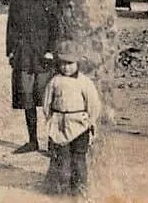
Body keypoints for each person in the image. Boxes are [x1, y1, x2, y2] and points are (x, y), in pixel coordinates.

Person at [6, 0, 58, 153]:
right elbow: (11, 26)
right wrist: (11, 50)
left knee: (47, 100)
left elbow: (55, 26)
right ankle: (32, 141)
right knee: (27, 98)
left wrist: (51, 50)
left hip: (43, 56)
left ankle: (54, 143)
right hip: (23, 56)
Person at [43, 40, 101, 196]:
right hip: (59, 125)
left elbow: (93, 105)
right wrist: (51, 120)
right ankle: (60, 188)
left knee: (79, 160)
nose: (66, 67)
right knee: (61, 158)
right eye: (62, 63)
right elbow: (46, 103)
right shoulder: (54, 81)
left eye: (70, 63)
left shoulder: (84, 82)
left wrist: (89, 122)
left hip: (79, 126)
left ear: (77, 62)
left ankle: (79, 189)